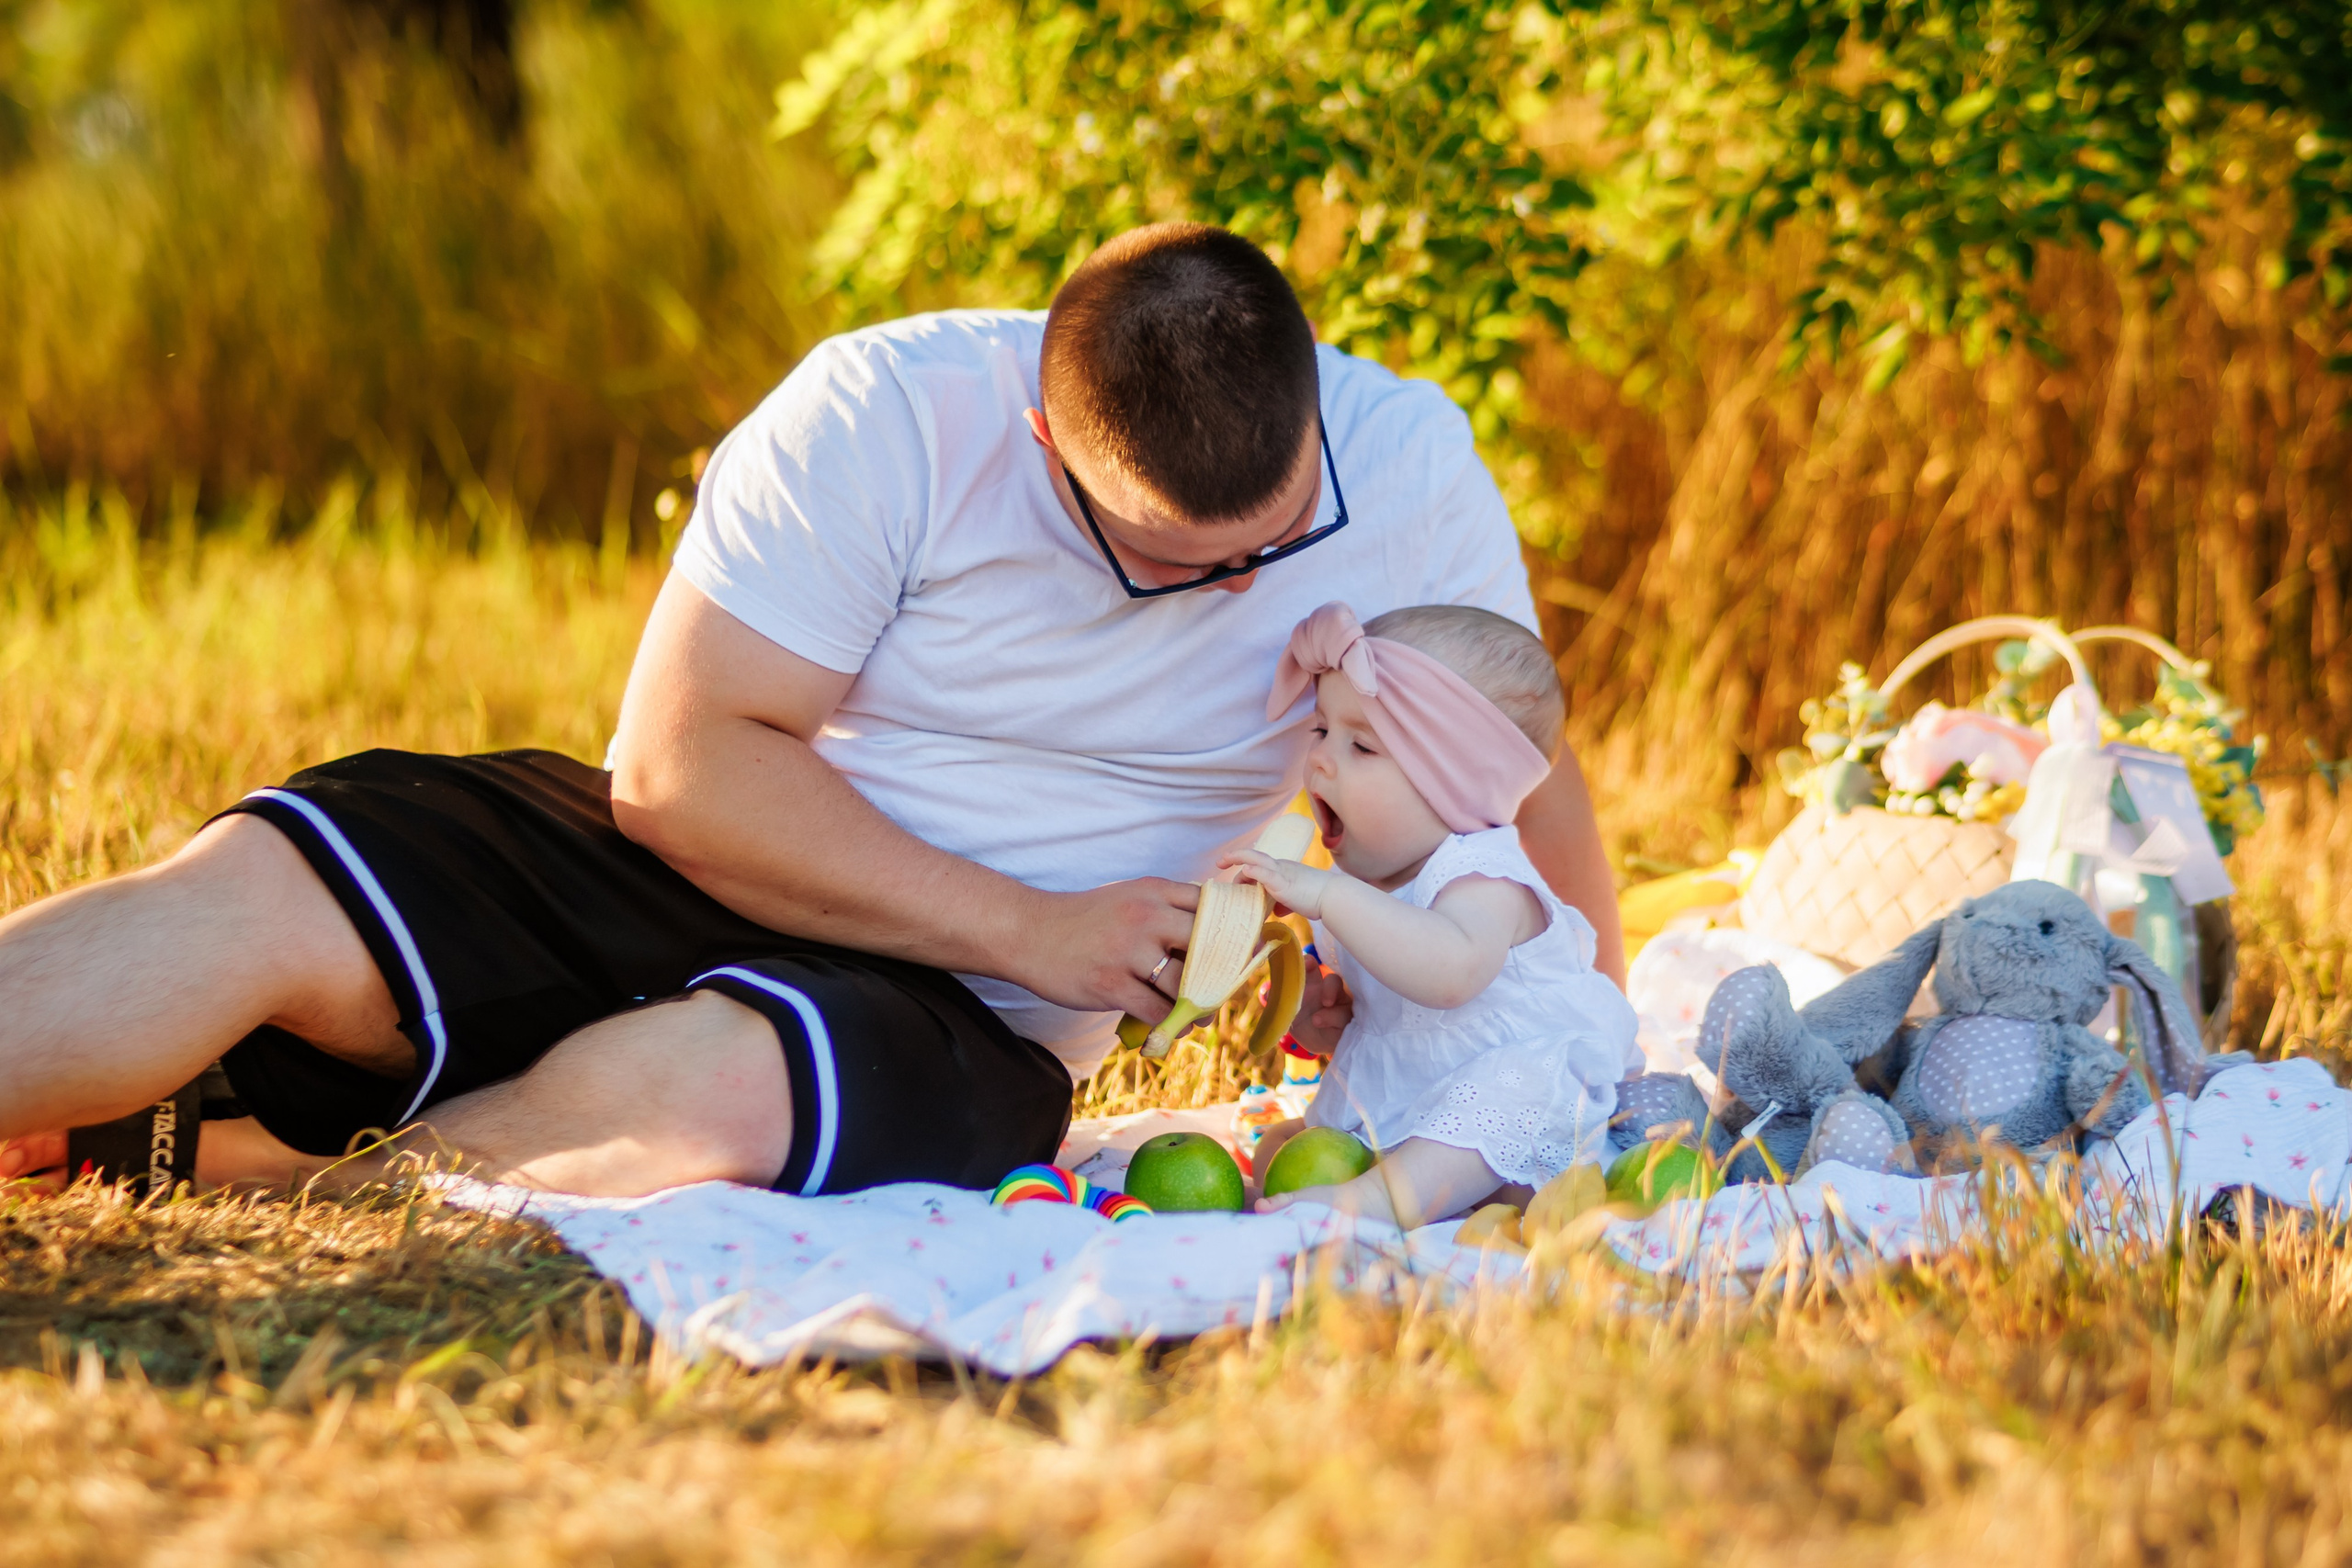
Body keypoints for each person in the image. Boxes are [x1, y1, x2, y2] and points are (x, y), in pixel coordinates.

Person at [0, 222, 1623, 1201]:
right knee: (273, 891)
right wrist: (1029, 916)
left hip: (970, 1018)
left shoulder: (1407, 466)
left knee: (715, 1087)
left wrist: (1585, 1034)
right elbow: (679, 770)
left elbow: (1510, 778)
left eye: (1262, 548)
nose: (1226, 589)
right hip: (719, 853)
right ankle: (176, 1095)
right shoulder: (886, 414)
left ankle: (258, 1178)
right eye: (1162, 557)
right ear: (1049, 441)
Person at [1227, 602, 1640, 1229]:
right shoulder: (1363, 879)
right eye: (1320, 730)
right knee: (1283, 1146)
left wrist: (1327, 897)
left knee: (1507, 1091)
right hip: (1421, 1092)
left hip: (1516, 1104)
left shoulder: (1484, 877)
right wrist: (1321, 1025)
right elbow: (1396, 1017)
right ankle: (1386, 1185)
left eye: (1361, 744)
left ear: (1457, 785)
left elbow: (1449, 971)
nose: (1320, 760)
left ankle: (1375, 1203)